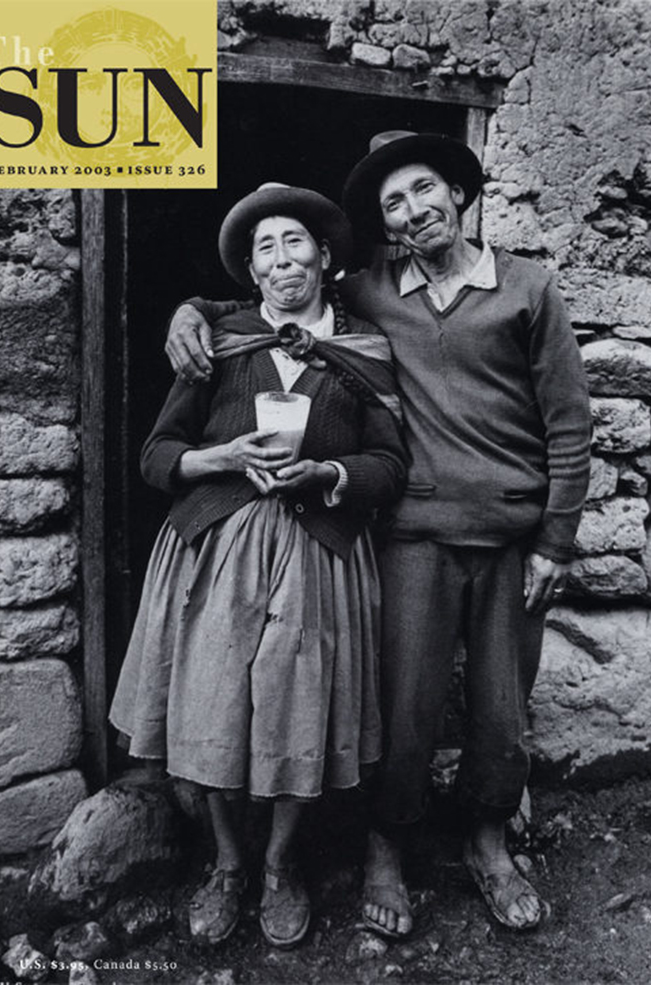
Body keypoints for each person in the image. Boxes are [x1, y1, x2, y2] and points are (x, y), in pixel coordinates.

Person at [165, 132, 592, 938]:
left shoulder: (530, 289)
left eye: (425, 191)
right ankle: (385, 846)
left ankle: (489, 844)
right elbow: (279, 302)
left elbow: (570, 423)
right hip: (414, 532)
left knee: (504, 712)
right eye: (394, 202)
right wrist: (190, 311)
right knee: (403, 710)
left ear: (461, 194)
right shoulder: (374, 293)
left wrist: (556, 540)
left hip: (511, 533)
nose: (412, 211)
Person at [110, 183, 408, 949]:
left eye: (295, 242)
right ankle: (229, 864)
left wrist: (328, 475)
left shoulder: (363, 351)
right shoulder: (218, 341)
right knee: (210, 706)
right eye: (266, 248)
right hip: (216, 548)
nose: (283, 260)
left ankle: (280, 866)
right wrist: (218, 456)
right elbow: (155, 456)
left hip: (318, 554)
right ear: (251, 269)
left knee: (296, 708)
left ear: (326, 256)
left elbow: (389, 463)